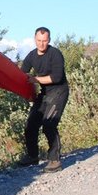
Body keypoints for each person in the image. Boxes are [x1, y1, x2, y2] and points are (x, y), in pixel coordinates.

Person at [18, 27, 70, 172]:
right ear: (35, 39)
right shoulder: (31, 55)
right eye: (39, 41)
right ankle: (32, 156)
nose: (41, 44)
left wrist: (35, 80)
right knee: (31, 124)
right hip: (45, 93)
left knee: (49, 124)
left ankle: (54, 160)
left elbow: (56, 77)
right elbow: (22, 74)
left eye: (45, 41)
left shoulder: (55, 54)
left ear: (49, 40)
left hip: (59, 91)